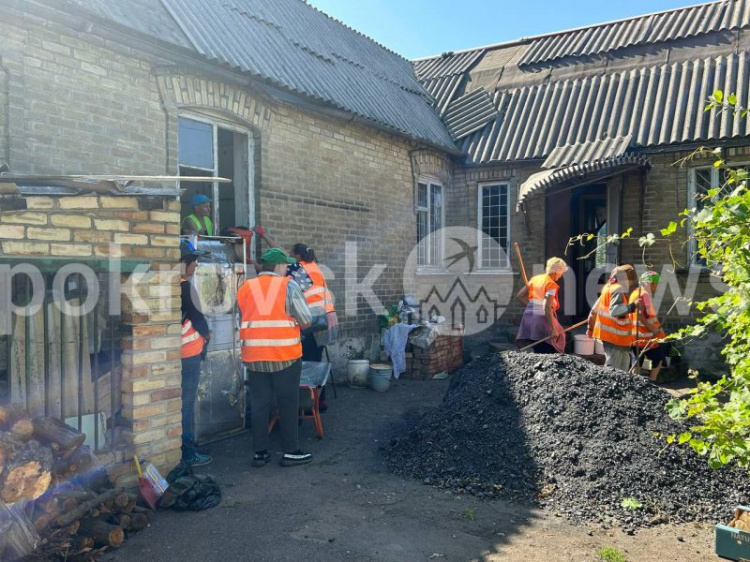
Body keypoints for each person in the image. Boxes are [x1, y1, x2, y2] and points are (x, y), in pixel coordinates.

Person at [238, 248, 313, 468]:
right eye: (285, 265)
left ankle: (260, 453)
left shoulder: (245, 288)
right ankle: (291, 452)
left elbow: (243, 316)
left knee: (259, 403)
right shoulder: (287, 286)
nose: (287, 268)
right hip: (284, 355)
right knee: (288, 402)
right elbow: (306, 320)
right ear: (279, 266)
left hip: (254, 355)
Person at [290, 243, 336, 412]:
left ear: (298, 256)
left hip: (311, 323)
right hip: (324, 320)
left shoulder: (298, 269)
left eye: (291, 254)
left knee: (308, 364)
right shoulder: (315, 267)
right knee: (317, 362)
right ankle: (320, 401)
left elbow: (276, 269)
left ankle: (310, 404)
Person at [180, 240, 212, 466]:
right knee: (187, 404)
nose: (196, 265)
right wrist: (207, 335)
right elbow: (198, 318)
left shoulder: (167, 285)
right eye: (194, 261)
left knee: (181, 404)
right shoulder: (185, 287)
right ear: (185, 263)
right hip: (189, 352)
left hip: (176, 353)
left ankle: (182, 447)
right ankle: (188, 453)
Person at [587, 264, 638, 371]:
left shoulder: (608, 288)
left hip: (615, 339)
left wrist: (590, 328)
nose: (630, 285)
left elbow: (593, 312)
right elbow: (615, 311)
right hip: (615, 338)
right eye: (631, 282)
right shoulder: (618, 289)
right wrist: (633, 306)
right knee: (614, 371)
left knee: (620, 371)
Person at [515, 257, 568, 353]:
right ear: (557, 271)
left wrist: (533, 308)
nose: (561, 275)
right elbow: (546, 307)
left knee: (538, 347)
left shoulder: (535, 279)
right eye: (561, 272)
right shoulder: (551, 284)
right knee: (551, 345)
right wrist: (553, 329)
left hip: (529, 318)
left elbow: (520, 296)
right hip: (541, 321)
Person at [629, 270, 670, 381]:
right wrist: (652, 328)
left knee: (637, 360)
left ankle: (635, 383)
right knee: (658, 358)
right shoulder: (644, 295)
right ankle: (652, 382)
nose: (656, 287)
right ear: (652, 284)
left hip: (635, 335)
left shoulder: (635, 293)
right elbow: (640, 314)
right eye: (656, 285)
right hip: (647, 336)